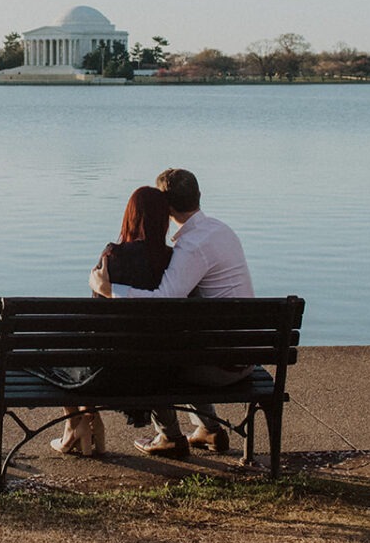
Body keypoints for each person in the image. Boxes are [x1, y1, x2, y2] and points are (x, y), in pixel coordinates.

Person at [88, 167, 254, 459]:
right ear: (198, 196)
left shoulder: (191, 246)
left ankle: (169, 437)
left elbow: (164, 300)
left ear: (166, 207)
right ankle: (208, 430)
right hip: (247, 355)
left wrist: (109, 288)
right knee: (180, 342)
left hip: (221, 366)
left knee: (155, 356)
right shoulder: (220, 230)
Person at [44, 186, 174, 457]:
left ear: (130, 216)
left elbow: (96, 323)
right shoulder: (174, 262)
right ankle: (82, 424)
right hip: (163, 376)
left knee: (50, 354)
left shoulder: (113, 256)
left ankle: (78, 424)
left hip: (111, 375)